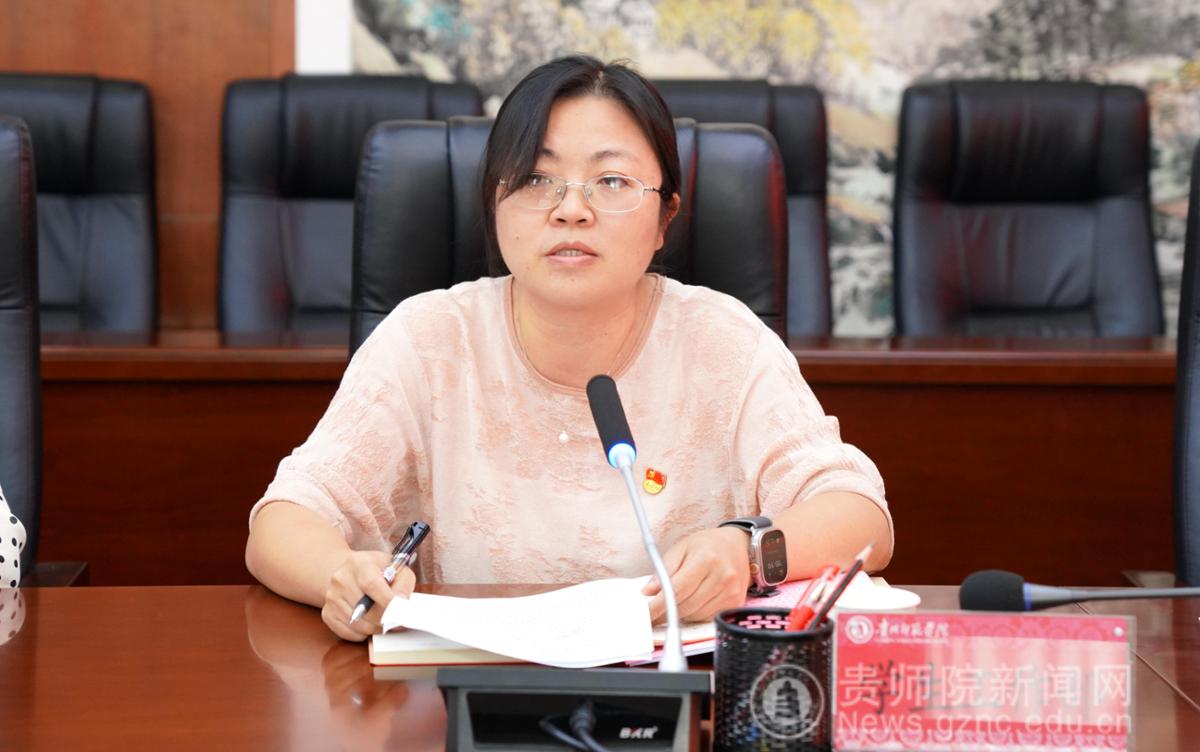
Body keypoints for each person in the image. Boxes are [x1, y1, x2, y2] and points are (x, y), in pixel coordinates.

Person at [246, 56, 892, 641]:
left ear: (665, 218)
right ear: (493, 204)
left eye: (611, 181)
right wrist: (339, 575)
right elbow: (282, 523)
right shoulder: (429, 340)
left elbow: (861, 515)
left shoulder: (723, 341)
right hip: (471, 690)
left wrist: (748, 551)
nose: (571, 210)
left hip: (676, 687)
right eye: (536, 178)